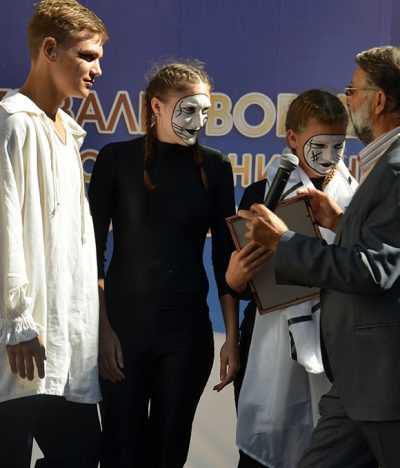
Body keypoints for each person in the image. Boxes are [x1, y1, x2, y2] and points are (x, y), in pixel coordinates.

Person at [240, 46, 400, 468]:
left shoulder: (395, 168)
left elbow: (377, 268)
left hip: (380, 376)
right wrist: (340, 220)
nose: (349, 100)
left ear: (379, 101)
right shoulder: (385, 165)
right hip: (357, 375)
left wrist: (284, 241)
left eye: (354, 90)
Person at [88, 60, 240, 468]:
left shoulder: (216, 166)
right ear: (156, 106)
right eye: (188, 109)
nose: (198, 121)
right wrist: (102, 329)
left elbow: (224, 257)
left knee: (168, 454)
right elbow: (90, 253)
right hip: (122, 331)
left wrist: (231, 337)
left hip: (186, 334)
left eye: (205, 111)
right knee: (121, 451)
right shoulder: (116, 159)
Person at [0, 0, 108, 467]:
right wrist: (17, 320)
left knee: (81, 454)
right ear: (49, 49)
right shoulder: (12, 123)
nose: (97, 69)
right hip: (18, 344)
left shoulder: (68, 132)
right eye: (87, 56)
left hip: (62, 345)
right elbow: (4, 227)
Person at [226, 90, 357, 468]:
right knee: (262, 452)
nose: (328, 156)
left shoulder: (356, 198)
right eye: (319, 145)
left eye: (338, 146)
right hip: (267, 345)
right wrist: (235, 280)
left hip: (335, 346)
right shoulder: (260, 195)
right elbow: (245, 283)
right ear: (293, 140)